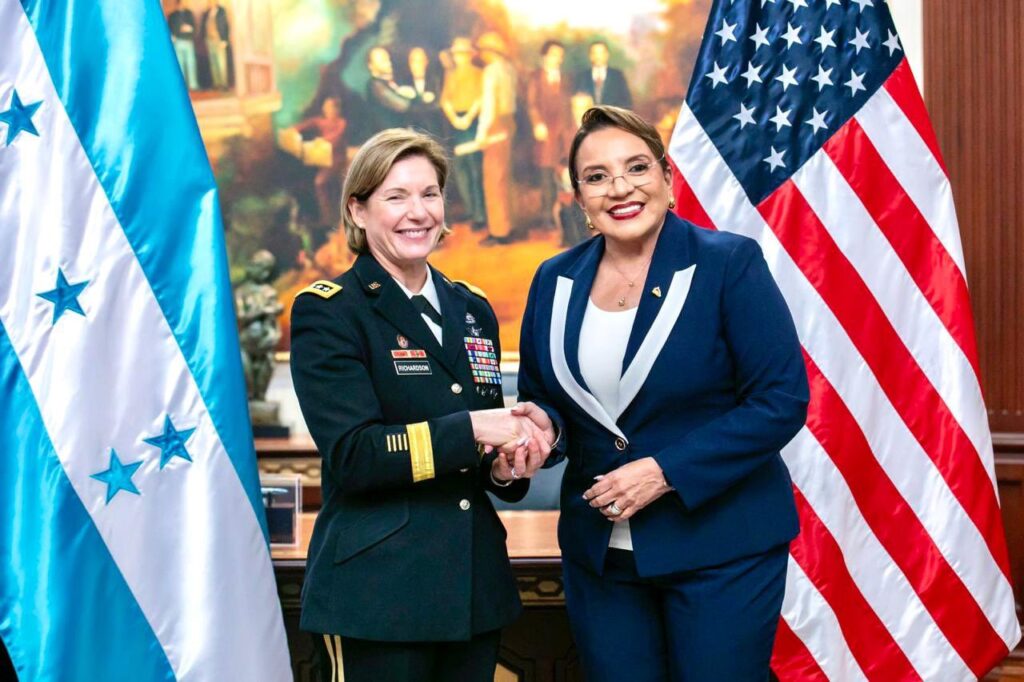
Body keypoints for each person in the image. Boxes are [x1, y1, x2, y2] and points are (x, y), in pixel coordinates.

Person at [516, 106, 809, 681]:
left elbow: (780, 400)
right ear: (579, 198)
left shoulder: (727, 262)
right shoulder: (554, 278)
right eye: (597, 176)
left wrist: (665, 471)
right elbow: (545, 400)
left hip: (720, 546)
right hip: (600, 556)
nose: (620, 188)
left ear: (667, 178)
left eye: (636, 167)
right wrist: (540, 431)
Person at [290, 128, 556, 682]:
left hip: (471, 588)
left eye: (430, 194)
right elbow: (355, 456)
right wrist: (474, 427)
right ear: (358, 210)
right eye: (396, 196)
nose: (418, 212)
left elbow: (477, 455)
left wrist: (506, 465)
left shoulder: (472, 309)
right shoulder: (331, 312)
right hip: (377, 594)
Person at [526, 40, 574, 233]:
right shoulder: (536, 77)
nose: (558, 59)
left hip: (564, 133)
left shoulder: (567, 78)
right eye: (554, 55)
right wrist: (537, 124)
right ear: (545, 56)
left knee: (563, 172)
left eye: (560, 55)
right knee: (546, 175)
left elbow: (570, 104)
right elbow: (532, 104)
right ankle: (547, 217)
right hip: (546, 133)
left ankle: (566, 214)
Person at [439, 37, 486, 230]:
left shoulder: (478, 73)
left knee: (475, 170)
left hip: (472, 122)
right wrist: (454, 119)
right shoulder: (451, 75)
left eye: (463, 53)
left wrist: (468, 118)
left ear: (470, 55)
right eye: (457, 54)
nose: (460, 57)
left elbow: (482, 98)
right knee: (461, 170)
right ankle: (470, 209)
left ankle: (480, 215)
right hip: (456, 123)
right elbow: (445, 100)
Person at [475, 31, 517, 245]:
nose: (481, 55)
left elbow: (489, 106)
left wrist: (481, 134)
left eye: (483, 50)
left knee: (493, 180)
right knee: (504, 177)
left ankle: (499, 231)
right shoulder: (509, 69)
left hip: (495, 126)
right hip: (509, 124)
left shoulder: (491, 71)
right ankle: (508, 225)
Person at [575, 41, 632, 109]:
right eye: (594, 53)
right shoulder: (582, 76)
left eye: (601, 53)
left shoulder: (617, 76)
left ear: (607, 55)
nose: (598, 56)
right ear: (590, 56)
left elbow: (627, 103)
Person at [167, 0, 198, 91]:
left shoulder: (189, 14)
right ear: (177, 4)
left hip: (188, 41)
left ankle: (193, 84)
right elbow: (170, 28)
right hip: (178, 41)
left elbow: (194, 26)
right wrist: (173, 35)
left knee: (190, 64)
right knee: (180, 64)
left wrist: (190, 29)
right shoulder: (172, 15)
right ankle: (183, 85)